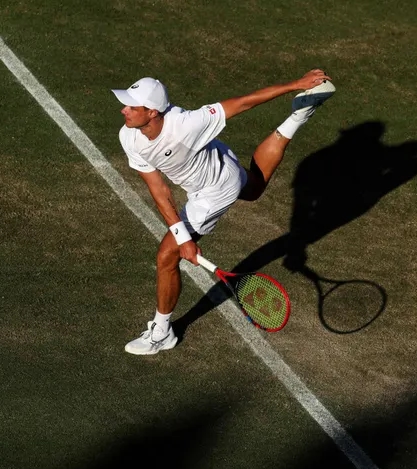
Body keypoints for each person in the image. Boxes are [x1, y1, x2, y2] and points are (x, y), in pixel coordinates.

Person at [112, 69, 336, 355]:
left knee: (166, 255)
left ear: (153, 112)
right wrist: (184, 237)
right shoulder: (129, 137)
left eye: (132, 106)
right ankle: (298, 116)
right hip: (219, 160)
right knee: (253, 188)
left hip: (214, 190)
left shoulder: (186, 124)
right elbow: (158, 189)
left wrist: (297, 84)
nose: (123, 110)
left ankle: (161, 331)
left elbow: (243, 102)